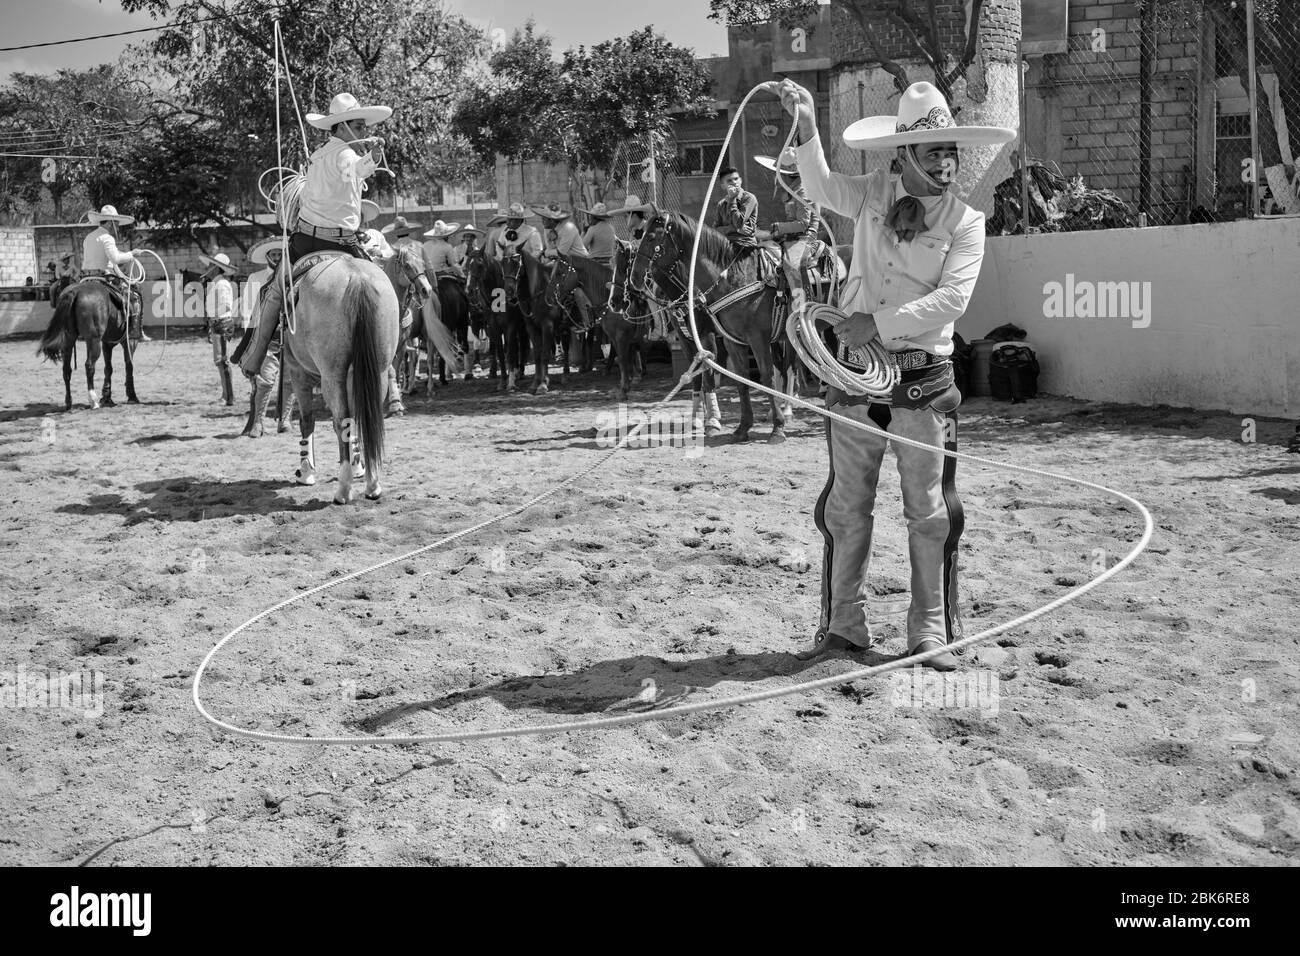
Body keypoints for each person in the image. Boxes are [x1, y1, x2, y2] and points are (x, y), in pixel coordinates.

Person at [777, 77, 1015, 670]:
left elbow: (952, 302)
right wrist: (806, 126)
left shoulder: (967, 220)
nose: (945, 161)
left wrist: (873, 324)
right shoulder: (872, 191)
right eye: (933, 150)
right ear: (904, 154)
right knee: (844, 506)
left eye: (950, 150)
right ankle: (843, 628)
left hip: (923, 377)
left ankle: (930, 630)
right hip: (855, 375)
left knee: (930, 508)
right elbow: (822, 187)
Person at [240, 91, 391, 379]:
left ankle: (254, 355)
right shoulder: (346, 154)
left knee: (274, 291)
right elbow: (355, 169)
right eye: (360, 127)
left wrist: (368, 157)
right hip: (344, 242)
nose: (365, 132)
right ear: (342, 127)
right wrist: (372, 157)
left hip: (308, 239)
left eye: (365, 128)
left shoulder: (318, 157)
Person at [234, 236, 295, 437]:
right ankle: (258, 422)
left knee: (289, 379)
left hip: (291, 334)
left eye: (280, 254)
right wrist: (251, 340)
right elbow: (247, 311)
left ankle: (285, 420)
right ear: (267, 256)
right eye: (274, 254)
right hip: (264, 336)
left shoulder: (294, 275)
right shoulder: (256, 278)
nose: (277, 258)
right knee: (266, 379)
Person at [757, 147, 821, 315]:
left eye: (778, 173)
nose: (776, 176)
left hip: (805, 237)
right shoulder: (792, 188)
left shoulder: (802, 190)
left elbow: (803, 223)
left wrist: (777, 228)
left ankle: (802, 309)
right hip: (792, 236)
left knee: (792, 265)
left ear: (787, 174)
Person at [379, 215, 431, 416]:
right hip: (416, 283)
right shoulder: (418, 246)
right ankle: (427, 336)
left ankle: (394, 391)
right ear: (409, 230)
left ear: (395, 231)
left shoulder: (389, 247)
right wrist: (433, 286)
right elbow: (429, 268)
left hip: (406, 284)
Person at [80, 204, 146, 341]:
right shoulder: (107, 238)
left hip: (86, 278)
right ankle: (135, 330)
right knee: (134, 295)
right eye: (116, 222)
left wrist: (127, 254)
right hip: (104, 277)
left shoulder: (89, 237)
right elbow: (116, 258)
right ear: (110, 223)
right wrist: (132, 254)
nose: (117, 226)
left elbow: (110, 255)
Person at [200, 251, 239, 406]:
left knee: (222, 360)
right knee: (220, 360)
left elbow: (226, 306)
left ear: (216, 268)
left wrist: (212, 318)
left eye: (211, 265)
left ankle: (229, 397)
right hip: (218, 323)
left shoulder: (222, 284)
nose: (208, 267)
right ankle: (226, 394)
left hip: (221, 323)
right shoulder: (217, 283)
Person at [713, 165, 761, 283]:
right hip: (725, 246)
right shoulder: (721, 204)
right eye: (729, 180)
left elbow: (739, 222)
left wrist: (732, 200)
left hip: (744, 246)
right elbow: (715, 230)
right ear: (723, 185)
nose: (734, 182)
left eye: (736, 179)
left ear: (741, 180)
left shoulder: (749, 198)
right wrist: (733, 229)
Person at [578, 202, 619, 266]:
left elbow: (582, 247)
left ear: (593, 217)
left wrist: (583, 232)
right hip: (609, 264)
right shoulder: (611, 229)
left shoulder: (593, 229)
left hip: (595, 265)